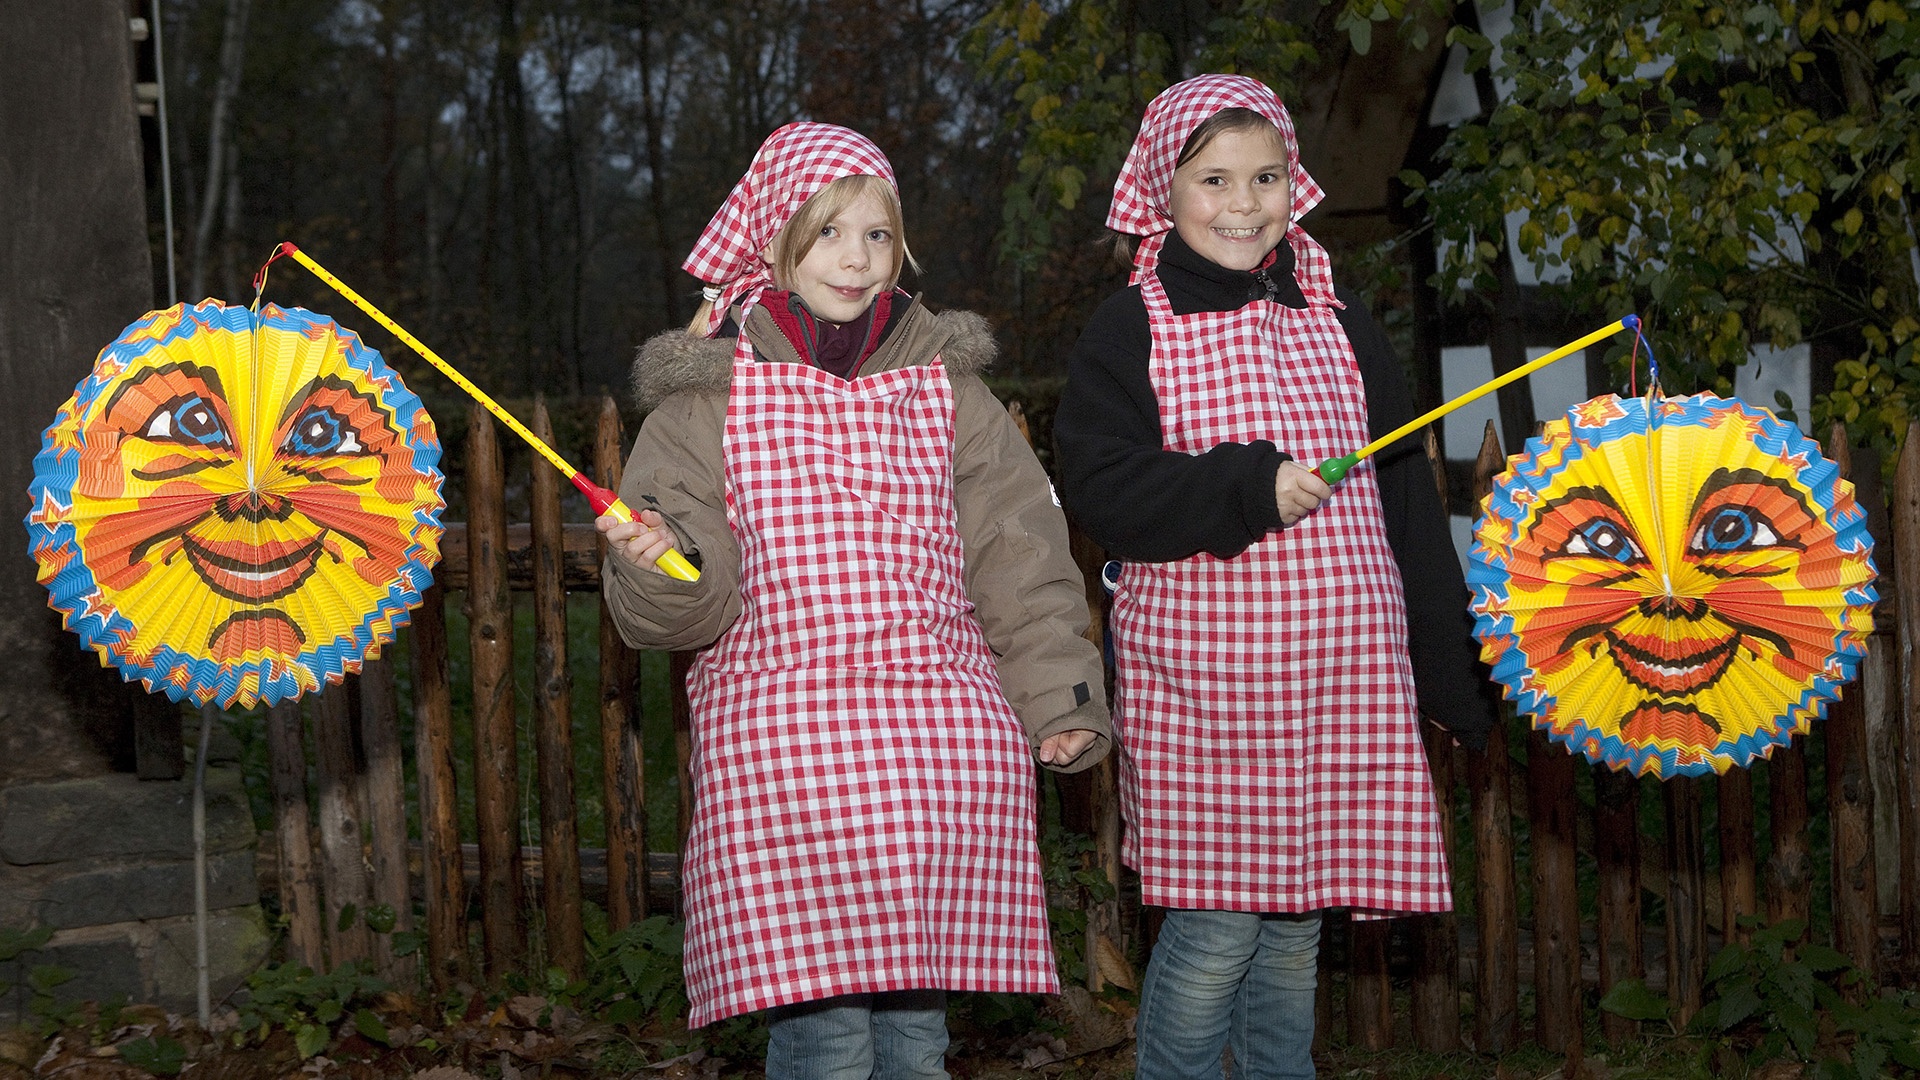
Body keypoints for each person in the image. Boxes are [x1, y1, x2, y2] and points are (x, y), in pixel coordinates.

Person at [597, 121, 1113, 1080]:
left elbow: (1019, 557)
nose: (856, 257)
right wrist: (665, 557)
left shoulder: (952, 397)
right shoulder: (703, 406)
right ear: (776, 243)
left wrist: (1057, 697)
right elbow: (679, 615)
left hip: (936, 756)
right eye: (829, 233)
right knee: (826, 1038)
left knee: (916, 1035)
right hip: (784, 761)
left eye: (878, 235)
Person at [1053, 75, 1497, 1080]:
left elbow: (1407, 507)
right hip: (1209, 697)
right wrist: (1247, 485)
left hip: (1342, 686)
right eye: (1214, 178)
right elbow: (1104, 487)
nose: (1244, 202)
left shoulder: (1342, 326)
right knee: (1215, 934)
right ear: (1161, 192)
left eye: (1265, 175)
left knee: (1295, 934)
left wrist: (1450, 672)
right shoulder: (1131, 330)